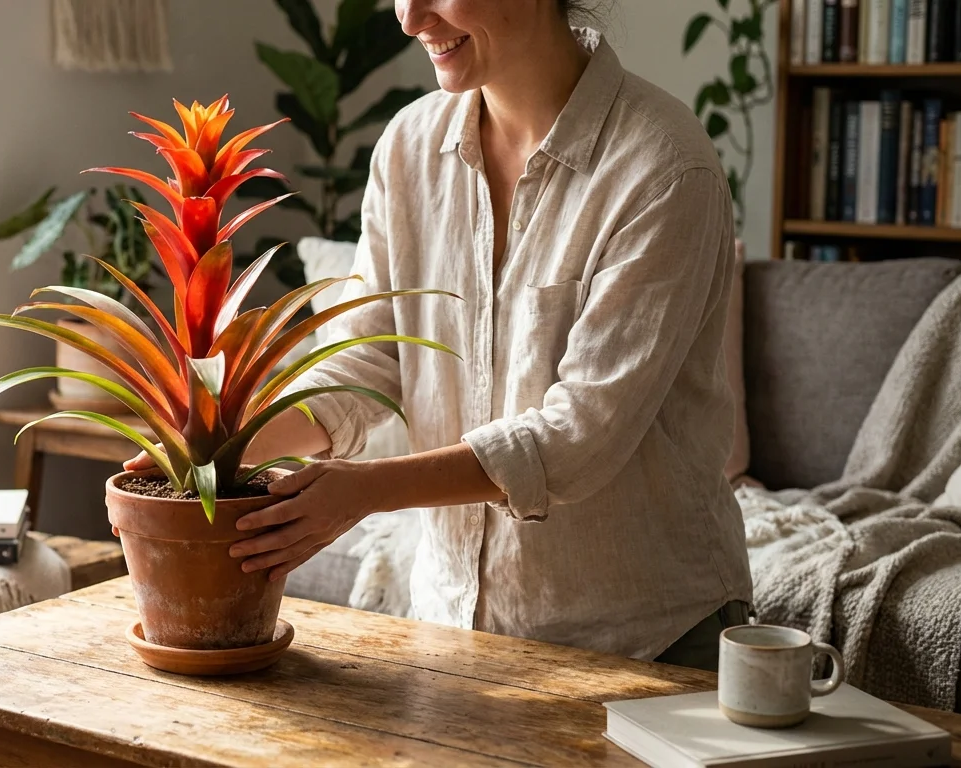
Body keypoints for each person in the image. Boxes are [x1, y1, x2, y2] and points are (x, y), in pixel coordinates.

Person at [129, 0, 753, 670]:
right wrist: (214, 452)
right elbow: (366, 362)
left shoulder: (661, 168)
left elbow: (578, 440)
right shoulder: (408, 148)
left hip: (645, 641)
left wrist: (365, 489)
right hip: (456, 631)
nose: (409, 17)